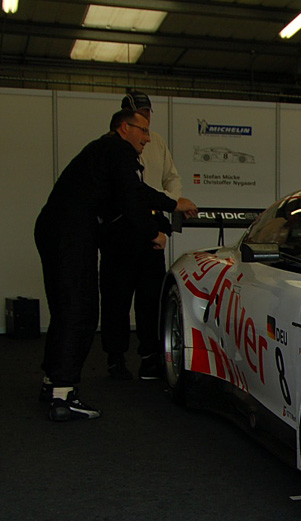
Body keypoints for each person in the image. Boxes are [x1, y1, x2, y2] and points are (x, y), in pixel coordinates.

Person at [35, 108, 198, 421]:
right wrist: (161, 221)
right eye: (144, 131)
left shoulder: (101, 154)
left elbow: (124, 201)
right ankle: (62, 392)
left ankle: (53, 382)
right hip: (70, 232)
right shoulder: (117, 149)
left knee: (65, 307)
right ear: (125, 128)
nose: (148, 139)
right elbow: (132, 195)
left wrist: (158, 218)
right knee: (79, 308)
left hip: (56, 228)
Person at [101, 90, 183, 381]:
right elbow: (129, 193)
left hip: (151, 231)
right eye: (140, 116)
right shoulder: (114, 147)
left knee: (150, 300)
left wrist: (163, 227)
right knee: (116, 298)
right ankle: (115, 357)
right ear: (127, 119)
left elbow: (172, 179)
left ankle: (150, 356)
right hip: (121, 234)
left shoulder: (156, 142)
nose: (146, 126)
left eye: (148, 114)